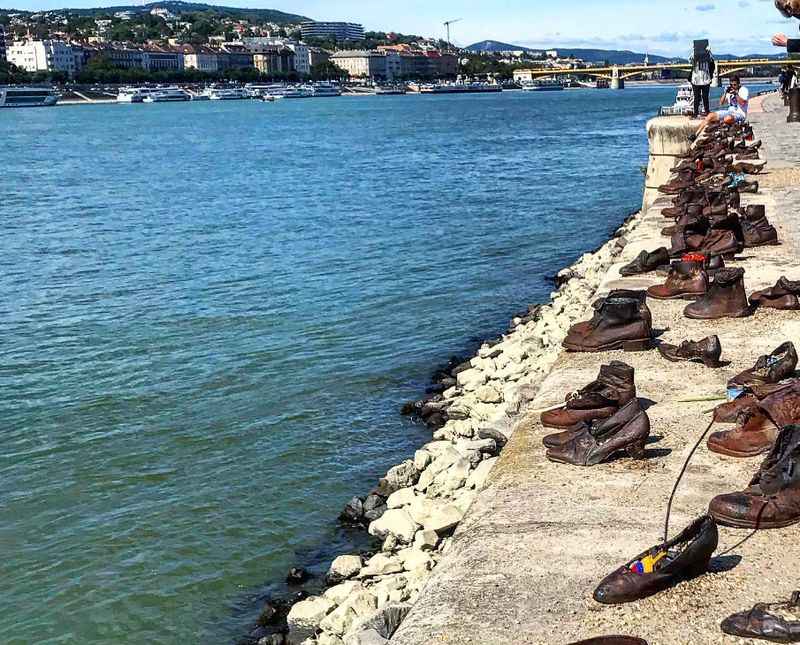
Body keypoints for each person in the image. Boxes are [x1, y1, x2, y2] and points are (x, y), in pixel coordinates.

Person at [689, 44, 715, 117]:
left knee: (705, 97)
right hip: (696, 79)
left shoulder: (708, 55)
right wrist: (694, 51)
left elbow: (712, 61)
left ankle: (707, 111)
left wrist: (709, 52)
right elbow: (690, 60)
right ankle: (696, 112)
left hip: (705, 78)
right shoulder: (694, 55)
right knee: (696, 97)